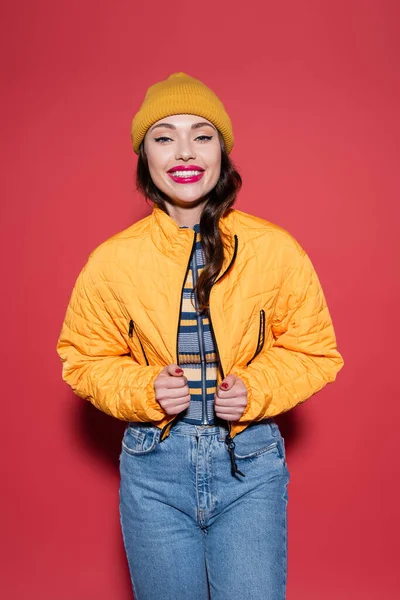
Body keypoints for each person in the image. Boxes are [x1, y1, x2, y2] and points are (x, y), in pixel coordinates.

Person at [56, 72, 344, 600]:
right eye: (164, 137)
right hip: (153, 468)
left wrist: (256, 389)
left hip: (249, 464)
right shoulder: (112, 260)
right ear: (145, 156)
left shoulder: (275, 249)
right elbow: (83, 357)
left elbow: (314, 350)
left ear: (222, 152)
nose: (184, 151)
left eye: (202, 135)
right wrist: (144, 390)